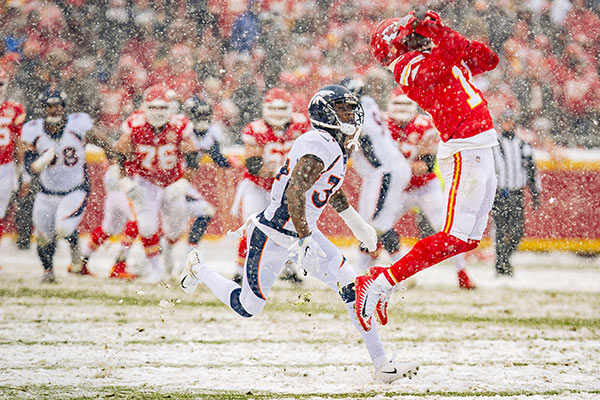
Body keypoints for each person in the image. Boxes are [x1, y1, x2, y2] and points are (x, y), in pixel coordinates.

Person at [179, 85, 420, 383]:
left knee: (353, 291)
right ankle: (199, 268)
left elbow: (329, 189)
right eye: (344, 108)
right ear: (327, 114)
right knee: (248, 307)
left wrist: (357, 224)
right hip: (275, 233)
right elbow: (296, 191)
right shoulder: (321, 143)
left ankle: (382, 364)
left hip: (302, 230)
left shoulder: (333, 143)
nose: (352, 114)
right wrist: (304, 238)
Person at [355, 10, 499, 331]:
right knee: (453, 234)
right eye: (410, 35)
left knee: (468, 240)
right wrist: (438, 31)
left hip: (480, 144)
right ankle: (380, 280)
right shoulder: (406, 67)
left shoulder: (432, 53)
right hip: (464, 145)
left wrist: (438, 30)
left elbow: (489, 59)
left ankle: (383, 279)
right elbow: (449, 51)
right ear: (397, 46)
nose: (417, 36)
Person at [386, 86, 476, 289]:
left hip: (425, 187)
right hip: (396, 189)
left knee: (446, 228)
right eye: (397, 103)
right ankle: (392, 271)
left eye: (404, 103)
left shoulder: (424, 124)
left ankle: (462, 273)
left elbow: (424, 165)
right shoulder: (381, 125)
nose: (401, 108)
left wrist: (406, 166)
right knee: (378, 228)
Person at [22, 87, 114, 283]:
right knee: (43, 236)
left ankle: (75, 253)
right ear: (43, 108)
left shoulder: (77, 125)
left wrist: (113, 158)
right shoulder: (34, 129)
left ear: (64, 107)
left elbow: (101, 140)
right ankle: (48, 272)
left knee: (63, 228)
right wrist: (39, 162)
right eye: (49, 106)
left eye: (57, 106)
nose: (53, 110)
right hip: (46, 192)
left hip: (74, 189)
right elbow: (28, 163)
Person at [114, 84, 198, 284]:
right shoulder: (135, 125)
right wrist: (124, 179)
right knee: (147, 227)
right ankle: (156, 270)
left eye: (162, 108)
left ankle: (167, 248)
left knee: (175, 229)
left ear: (170, 109)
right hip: (146, 182)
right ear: (145, 108)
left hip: (171, 183)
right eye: (153, 108)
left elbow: (193, 156)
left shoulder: (180, 125)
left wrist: (183, 183)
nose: (158, 113)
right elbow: (118, 153)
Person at [230, 88, 310, 284]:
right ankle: (240, 271)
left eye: (282, 108)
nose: (278, 113)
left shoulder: (301, 125)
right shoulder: (255, 129)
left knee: (289, 228)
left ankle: (289, 268)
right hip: (258, 186)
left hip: (285, 189)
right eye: (273, 108)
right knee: (253, 227)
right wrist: (279, 172)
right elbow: (254, 165)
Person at [339, 77, 411, 273]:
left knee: (373, 224)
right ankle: (393, 267)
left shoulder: (357, 113)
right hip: (383, 171)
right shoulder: (368, 104)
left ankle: (400, 267)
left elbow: (351, 140)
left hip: (383, 171)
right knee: (371, 223)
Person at [491, 109, 541, 276]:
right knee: (500, 230)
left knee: (517, 231)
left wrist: (535, 192)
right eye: (505, 121)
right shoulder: (494, 145)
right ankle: (501, 264)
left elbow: (532, 171)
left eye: (511, 121)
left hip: (516, 193)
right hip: (499, 193)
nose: (508, 124)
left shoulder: (523, 145)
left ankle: (504, 259)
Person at [0, 68, 26, 244]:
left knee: (0, 211)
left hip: (5, 165)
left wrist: (20, 169)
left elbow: (19, 142)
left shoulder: (14, 109)